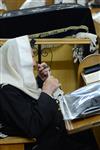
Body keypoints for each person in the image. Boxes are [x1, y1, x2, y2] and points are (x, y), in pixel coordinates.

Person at [0, 35, 99, 150]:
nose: (33, 63)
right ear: (15, 60)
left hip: (55, 133)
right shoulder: (6, 91)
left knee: (89, 131)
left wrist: (41, 81)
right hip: (44, 143)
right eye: (30, 57)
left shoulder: (14, 82)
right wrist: (47, 91)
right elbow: (33, 126)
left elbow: (27, 99)